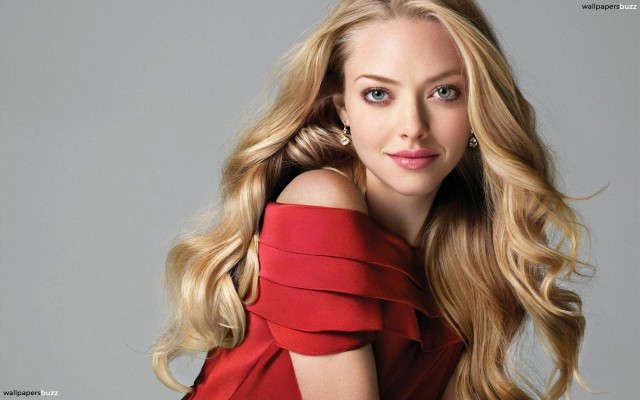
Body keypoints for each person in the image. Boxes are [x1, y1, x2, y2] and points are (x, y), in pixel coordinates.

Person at [152, 0, 590, 398]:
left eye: (444, 92)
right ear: (342, 108)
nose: (413, 126)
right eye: (379, 94)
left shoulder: (472, 251)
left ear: (479, 105)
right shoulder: (319, 203)